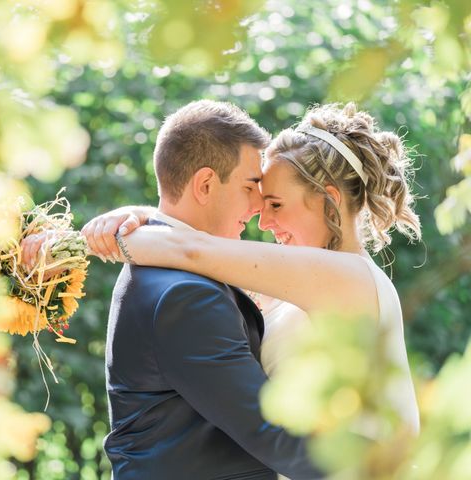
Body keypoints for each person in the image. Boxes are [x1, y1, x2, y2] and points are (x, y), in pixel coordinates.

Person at [23, 100, 323, 479]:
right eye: (250, 185)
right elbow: (270, 433)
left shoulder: (164, 266)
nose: (259, 204)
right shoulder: (186, 293)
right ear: (206, 184)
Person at [83, 103, 421, 438]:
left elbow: (193, 250)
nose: (263, 219)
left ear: (327, 200)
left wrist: (86, 240)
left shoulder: (349, 278)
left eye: (275, 204)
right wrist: (143, 215)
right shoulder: (291, 286)